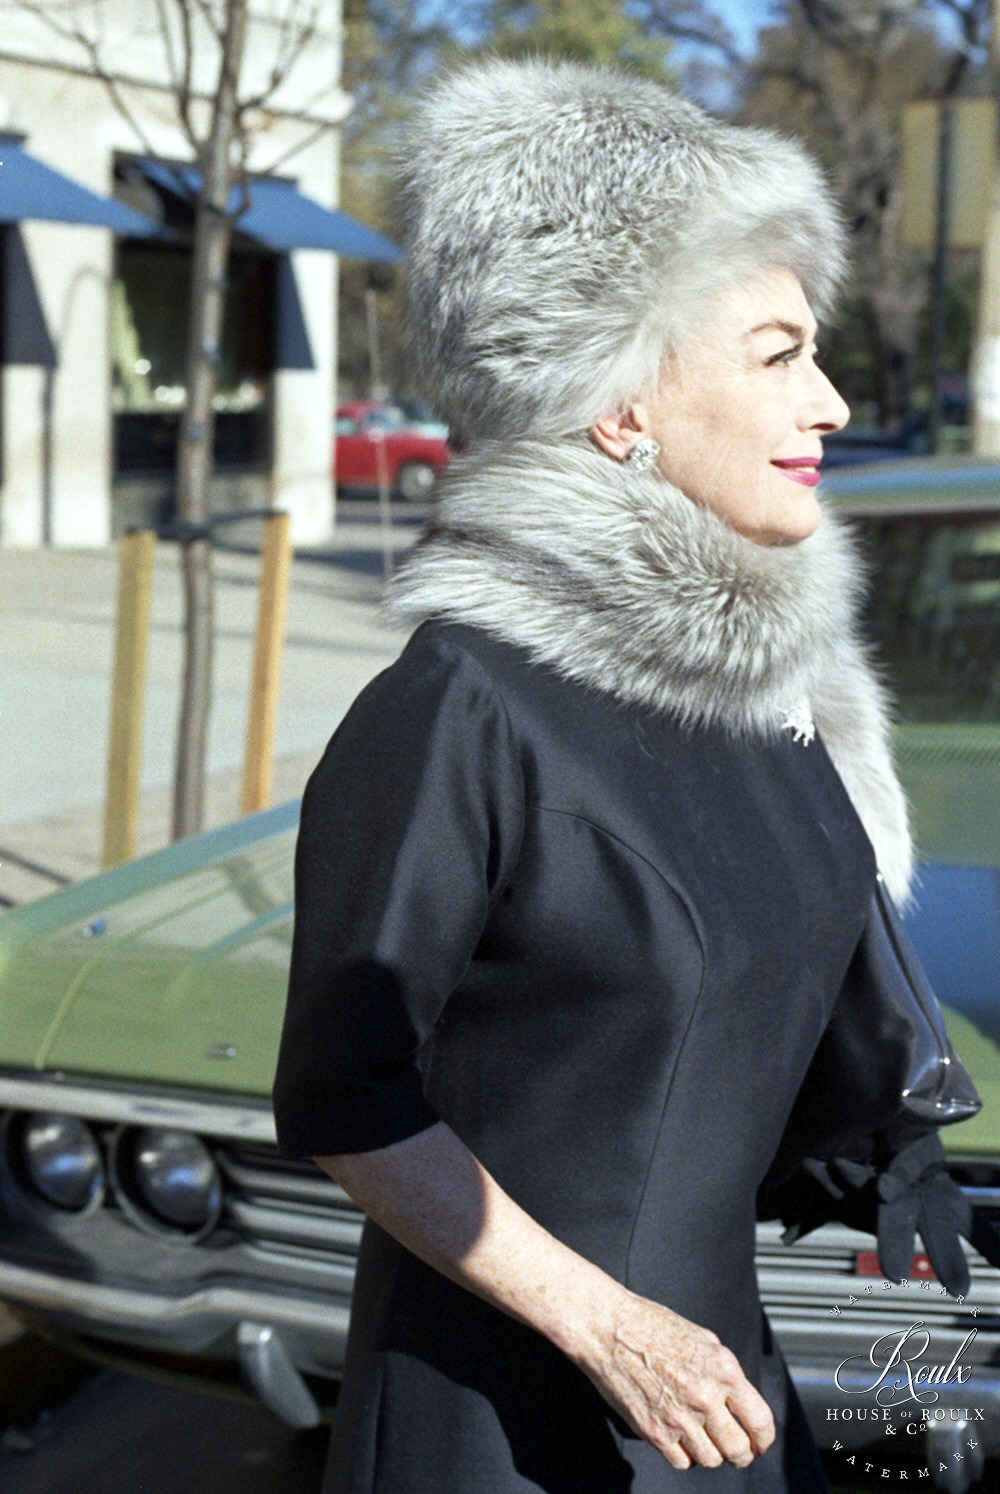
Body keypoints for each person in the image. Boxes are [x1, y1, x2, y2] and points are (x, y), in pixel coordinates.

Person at [272, 56, 914, 1493]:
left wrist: (889, 1152)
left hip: (723, 1406)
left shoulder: (770, 694)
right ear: (620, 402)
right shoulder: (459, 709)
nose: (825, 402)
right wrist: (612, 1330)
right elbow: (343, 1096)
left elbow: (778, 984)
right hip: (503, 1429)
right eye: (774, 354)